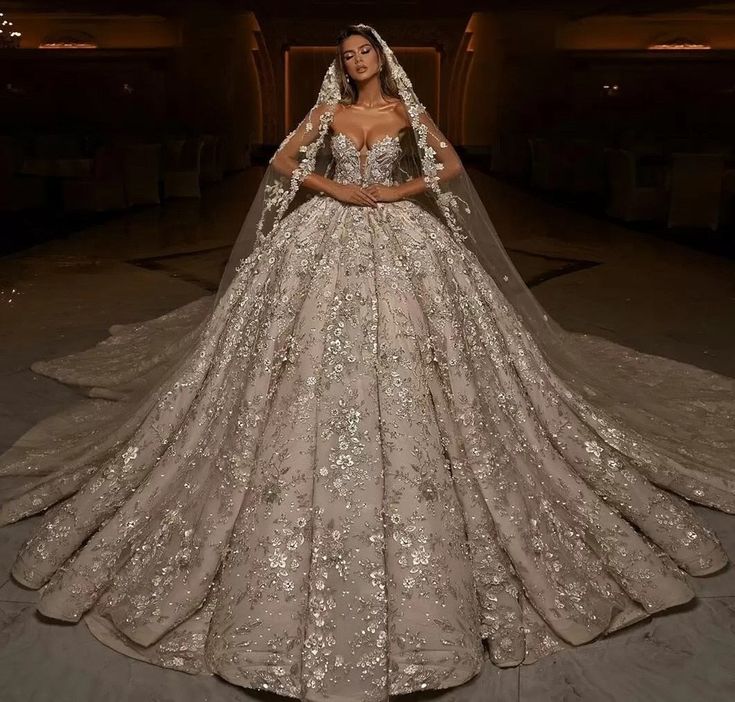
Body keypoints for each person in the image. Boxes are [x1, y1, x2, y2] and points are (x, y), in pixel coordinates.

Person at [0, 22, 734, 702]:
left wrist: (396, 189)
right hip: (323, 231)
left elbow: (446, 166)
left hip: (400, 233)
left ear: (384, 58)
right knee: (287, 350)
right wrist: (330, 186)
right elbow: (286, 162)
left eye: (364, 54)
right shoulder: (326, 113)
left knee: (432, 349)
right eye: (346, 56)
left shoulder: (404, 115)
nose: (355, 63)